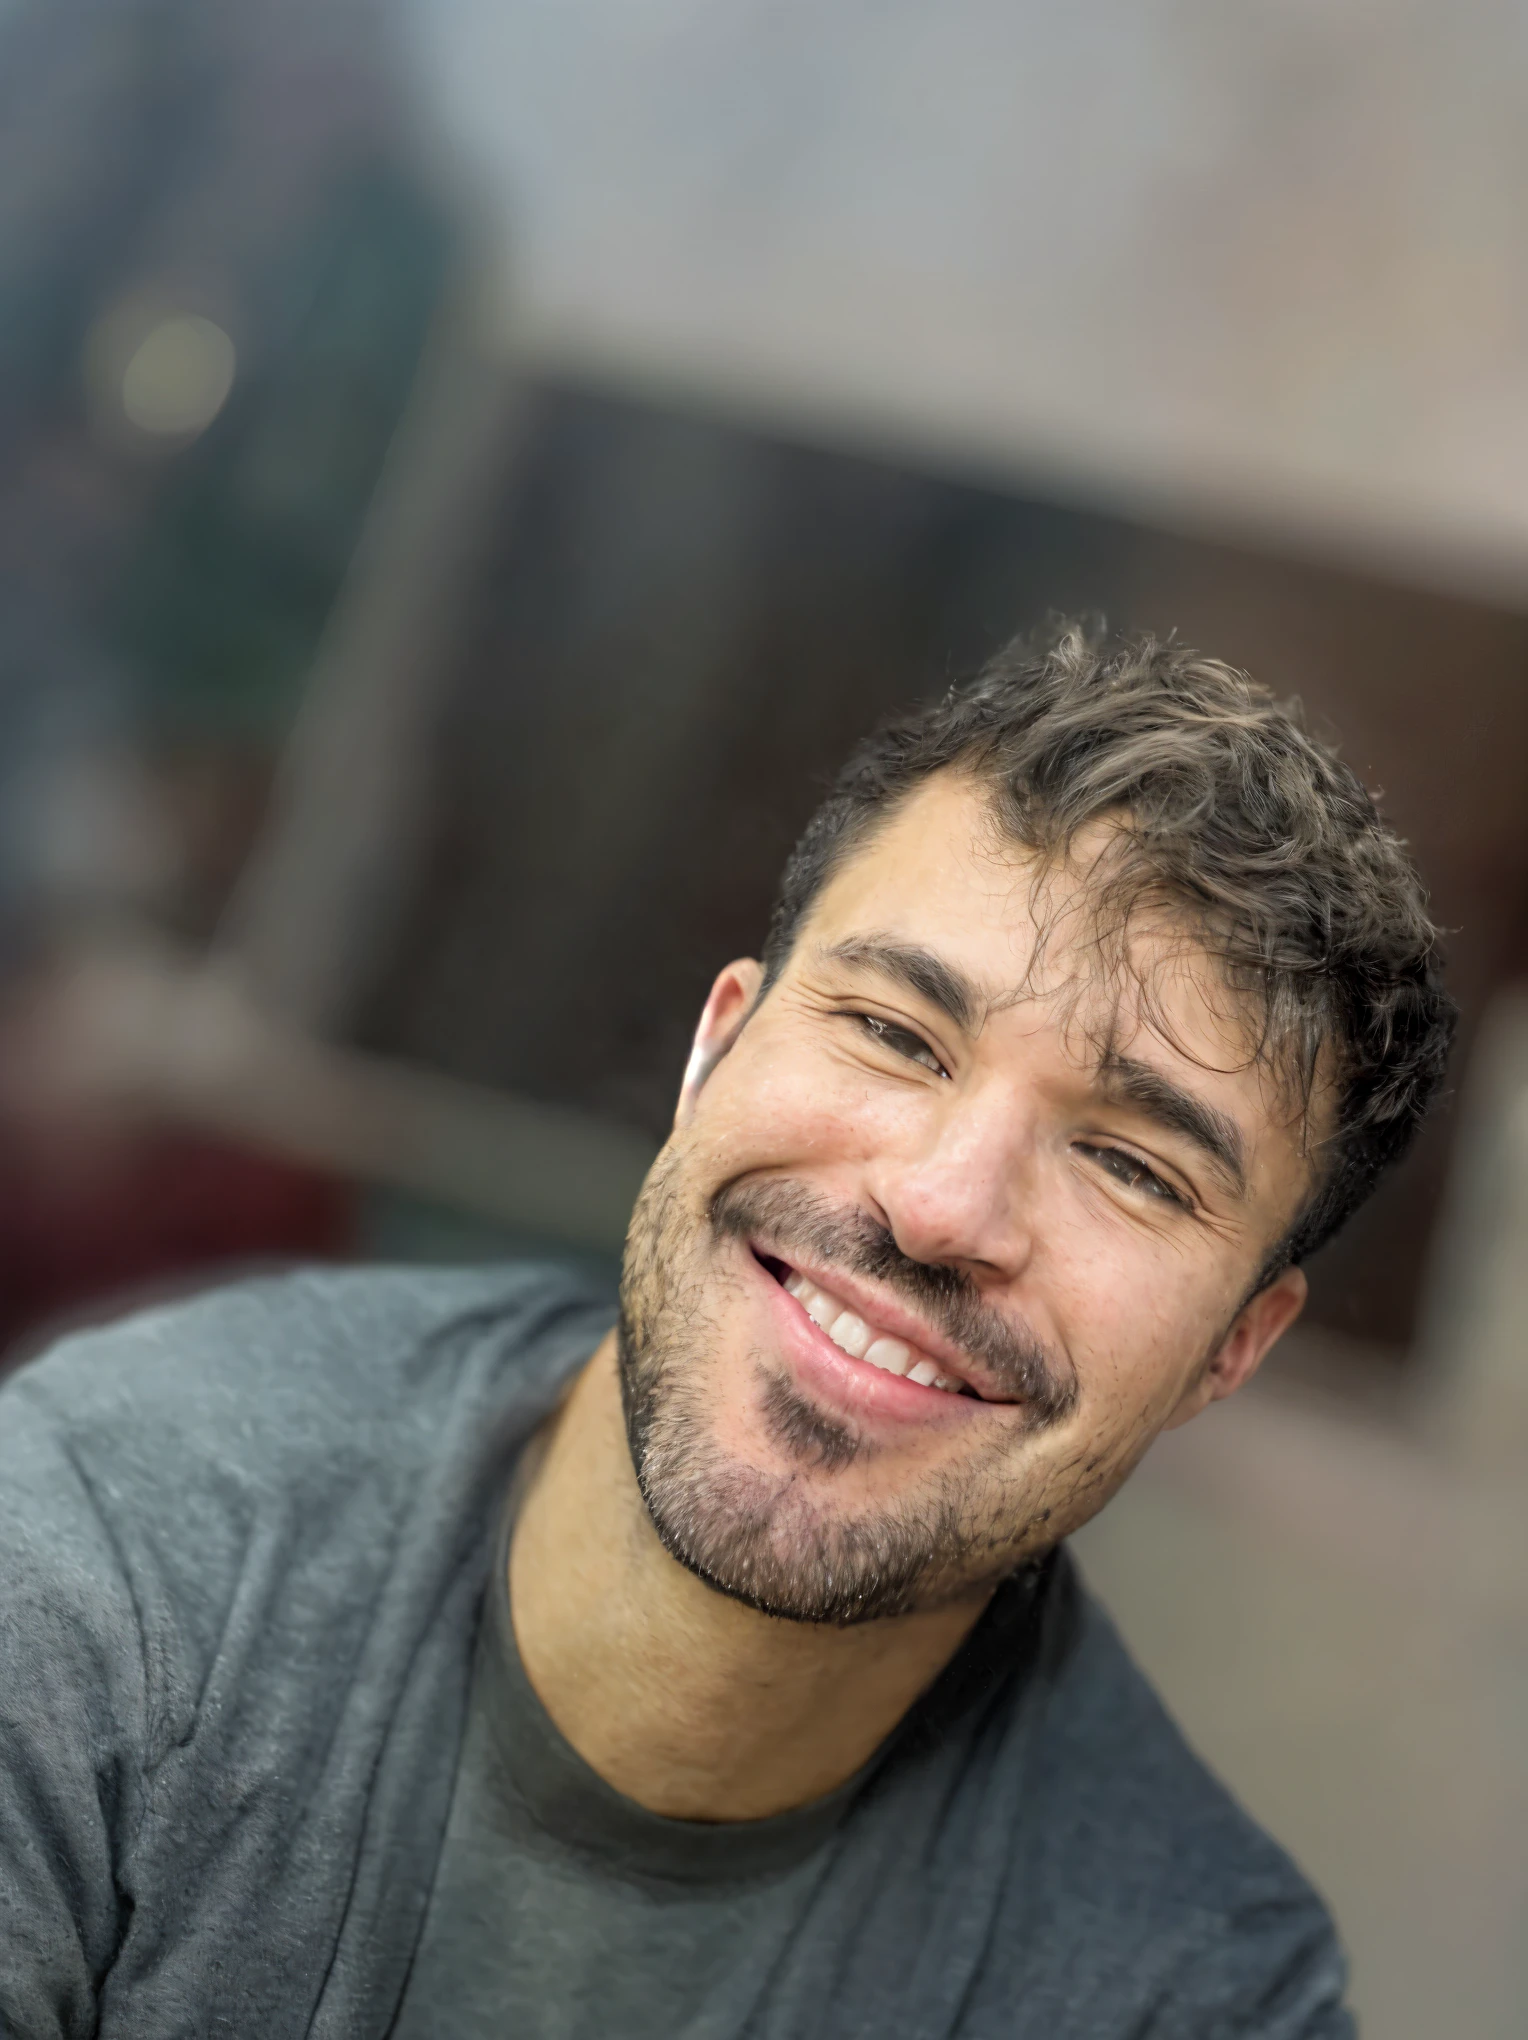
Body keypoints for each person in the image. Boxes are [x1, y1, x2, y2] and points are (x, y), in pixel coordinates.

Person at [0, 625, 1454, 2039]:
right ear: (716, 1048)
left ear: (1231, 1352)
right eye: (895, 1032)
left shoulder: (1187, 1994)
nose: (944, 1206)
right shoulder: (104, 1567)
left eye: (1133, 1167)